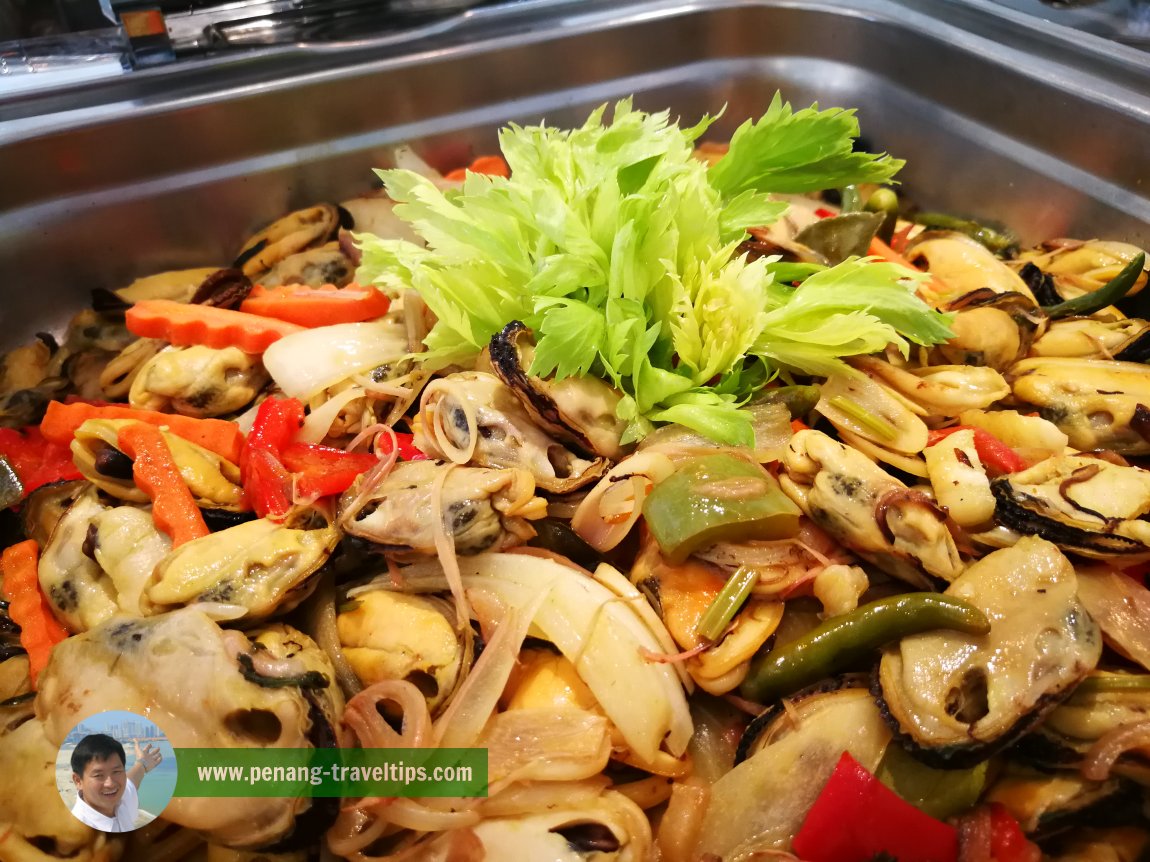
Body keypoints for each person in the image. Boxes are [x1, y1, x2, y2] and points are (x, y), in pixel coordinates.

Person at [69, 734, 162, 832]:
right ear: (78, 781)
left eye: (116, 772)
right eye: (98, 775)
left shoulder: (121, 801)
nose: (110, 784)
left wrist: (142, 763)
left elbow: (132, 780)